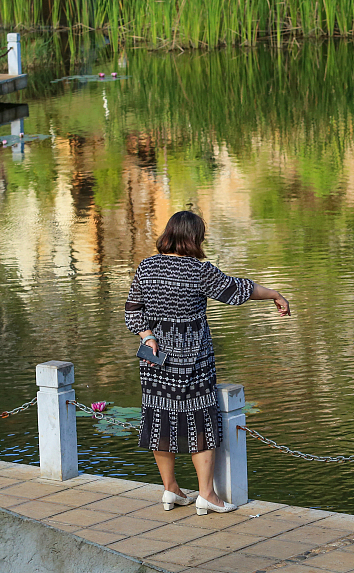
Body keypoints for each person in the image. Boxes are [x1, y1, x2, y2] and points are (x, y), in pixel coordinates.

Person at [125, 210, 290, 514]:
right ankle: (206, 495)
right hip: (193, 362)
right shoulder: (198, 271)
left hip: (155, 361)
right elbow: (238, 290)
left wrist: (148, 336)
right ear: (194, 238)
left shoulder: (146, 267)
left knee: (160, 418)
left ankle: (171, 489)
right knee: (200, 422)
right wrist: (274, 294)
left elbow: (132, 312)